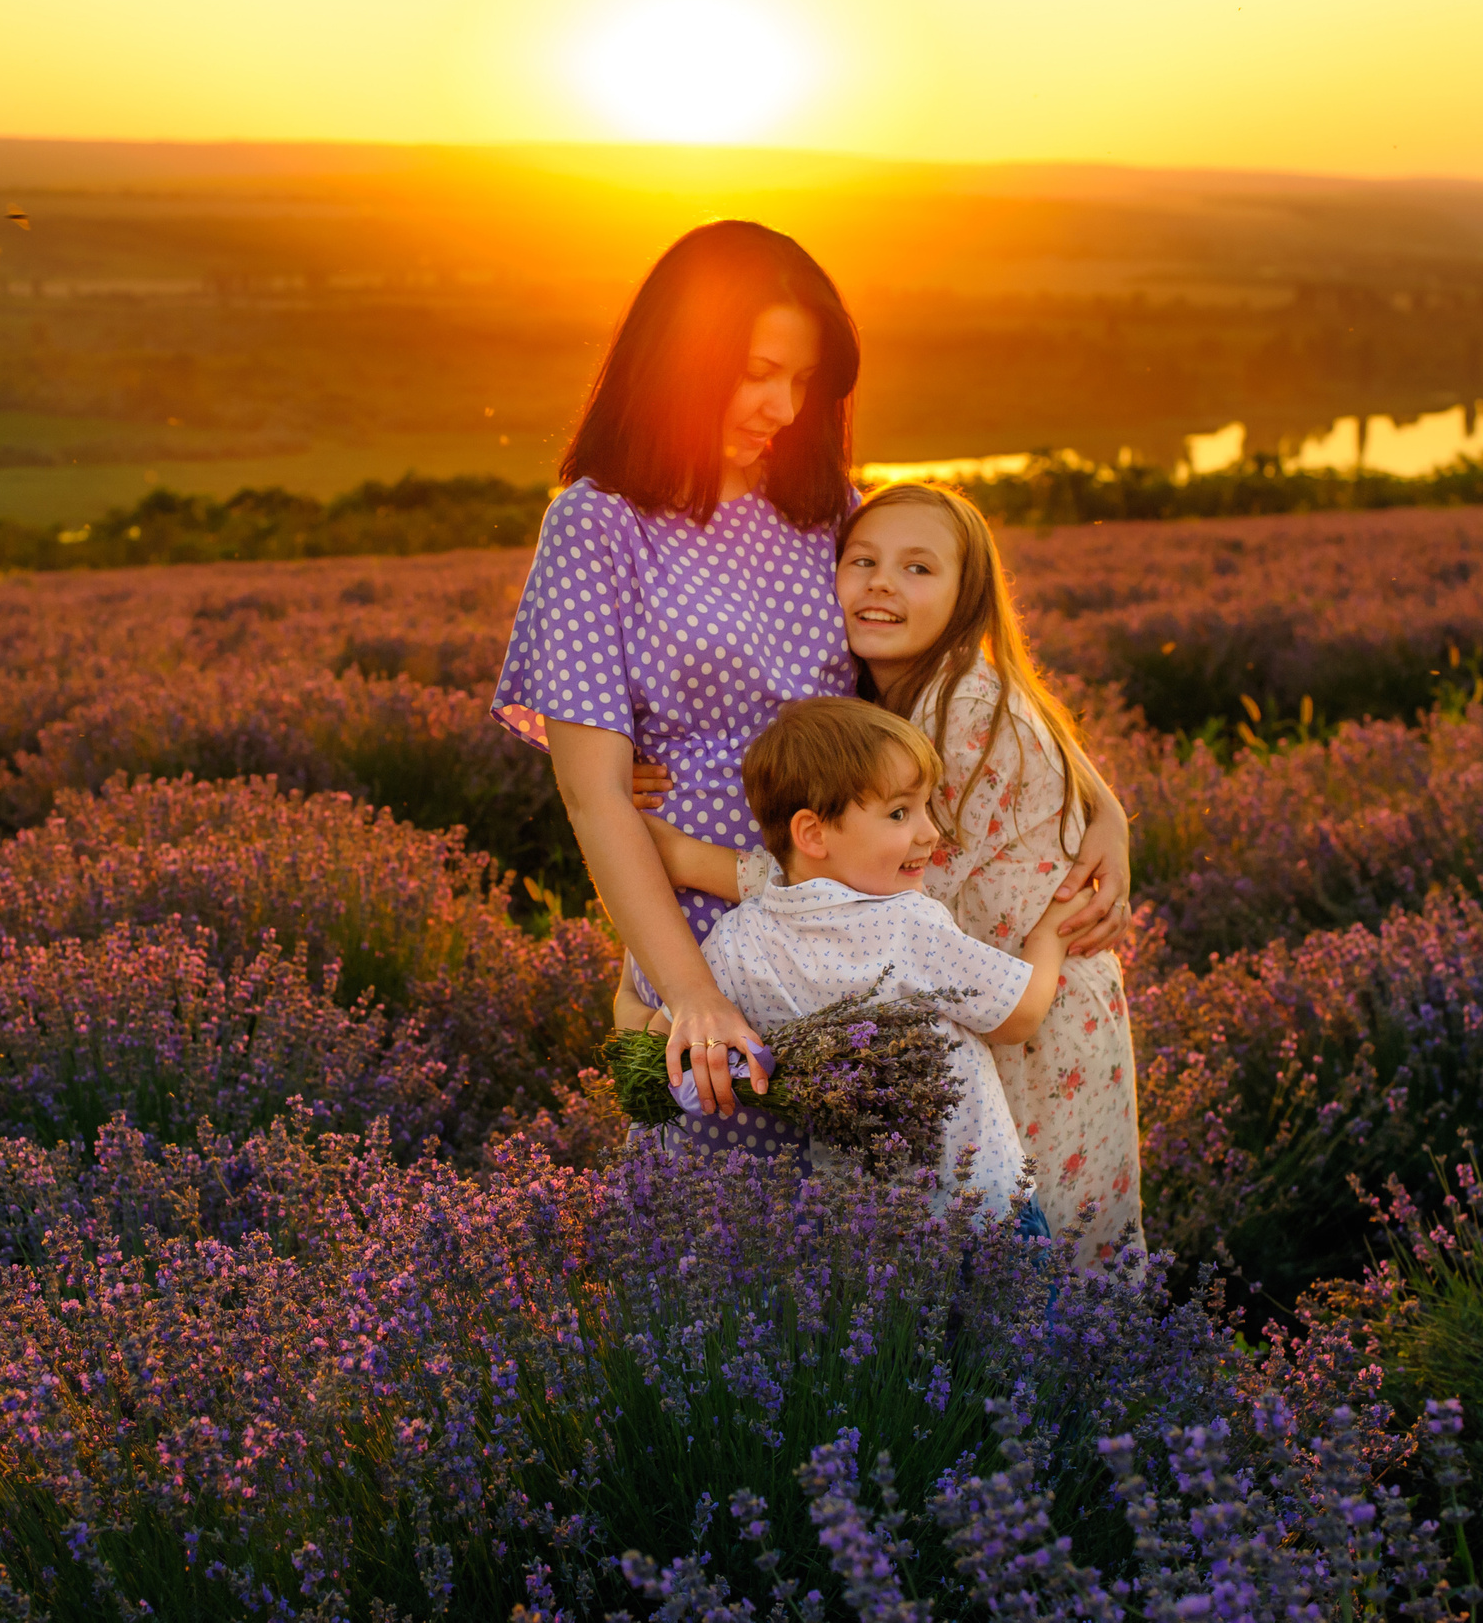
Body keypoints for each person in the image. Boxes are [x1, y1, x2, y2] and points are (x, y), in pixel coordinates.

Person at [491, 219, 1137, 1151]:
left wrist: (1100, 802)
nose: (784, 407)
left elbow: (956, 651)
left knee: (879, 1206)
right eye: (758, 372)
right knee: (716, 1197)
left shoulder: (822, 506)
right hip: (701, 927)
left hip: (857, 919)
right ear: (678, 360)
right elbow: (594, 799)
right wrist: (692, 994)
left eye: (801, 381)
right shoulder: (597, 525)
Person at [646, 483, 1148, 1263]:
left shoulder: (961, 710)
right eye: (862, 561)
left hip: (1033, 1017)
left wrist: (678, 855)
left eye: (918, 568)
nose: (882, 583)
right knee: (993, 1268)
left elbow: (868, 901)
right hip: (981, 994)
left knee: (1041, 1267)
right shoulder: (905, 695)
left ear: (966, 595)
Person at [669, 698, 1086, 1220]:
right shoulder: (907, 923)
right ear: (813, 833)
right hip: (979, 1206)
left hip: (864, 1228)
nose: (930, 833)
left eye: (925, 807)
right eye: (899, 813)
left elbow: (672, 1033)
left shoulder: (736, 939)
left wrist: (627, 1006)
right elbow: (1019, 1015)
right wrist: (1050, 935)